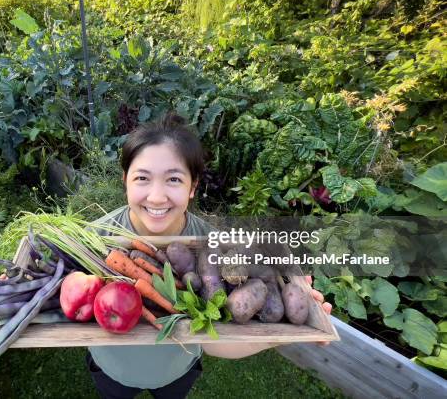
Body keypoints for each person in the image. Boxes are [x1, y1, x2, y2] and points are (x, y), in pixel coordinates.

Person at [87, 113, 331, 399]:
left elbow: (217, 340)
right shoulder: (93, 239)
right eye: (142, 178)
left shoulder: (216, 247)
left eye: (173, 179)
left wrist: (278, 335)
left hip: (177, 372)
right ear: (125, 180)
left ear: (192, 187)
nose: (156, 196)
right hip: (111, 370)